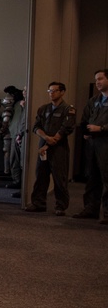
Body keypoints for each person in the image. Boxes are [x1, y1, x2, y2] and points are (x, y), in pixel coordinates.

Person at [25, 82, 75, 216]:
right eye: (49, 91)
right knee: (41, 175)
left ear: (62, 92)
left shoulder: (68, 109)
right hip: (44, 145)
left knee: (60, 177)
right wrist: (46, 138)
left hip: (59, 148)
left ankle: (60, 206)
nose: (51, 93)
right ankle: (38, 203)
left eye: (54, 91)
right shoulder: (43, 109)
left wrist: (50, 141)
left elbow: (66, 128)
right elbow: (36, 127)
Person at [75, 70, 108, 221]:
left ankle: (107, 213)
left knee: (107, 178)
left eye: (100, 79)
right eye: (96, 80)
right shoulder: (94, 100)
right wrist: (84, 131)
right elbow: (85, 118)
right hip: (93, 144)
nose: (97, 82)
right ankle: (90, 209)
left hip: (106, 143)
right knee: (92, 177)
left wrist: (101, 129)